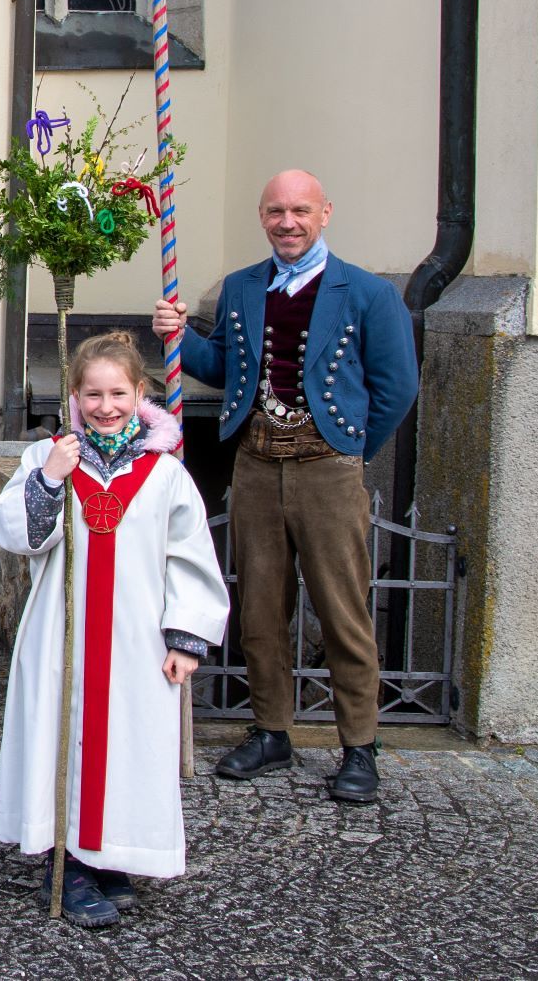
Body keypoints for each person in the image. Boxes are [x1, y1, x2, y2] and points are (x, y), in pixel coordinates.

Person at [154, 169, 418, 803]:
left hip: (328, 470)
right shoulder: (245, 287)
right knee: (261, 612)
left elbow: (397, 386)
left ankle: (359, 745)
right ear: (262, 215)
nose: (288, 222)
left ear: (325, 212)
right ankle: (271, 730)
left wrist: (350, 447)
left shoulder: (369, 294)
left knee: (343, 610)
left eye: (300, 210)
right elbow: (221, 367)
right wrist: (178, 336)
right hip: (254, 465)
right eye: (276, 212)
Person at [0, 332, 230, 927]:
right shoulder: (50, 458)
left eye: (118, 393)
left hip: (135, 640)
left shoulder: (164, 473)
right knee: (61, 736)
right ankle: (65, 861)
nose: (105, 406)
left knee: (127, 744)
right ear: (73, 395)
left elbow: (189, 556)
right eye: (91, 394)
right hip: (60, 635)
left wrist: (185, 638)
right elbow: (17, 534)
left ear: (140, 393)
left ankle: (108, 851)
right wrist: (49, 476)